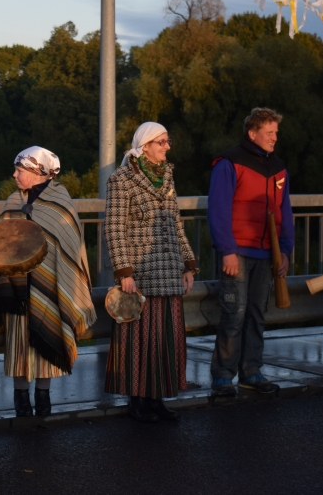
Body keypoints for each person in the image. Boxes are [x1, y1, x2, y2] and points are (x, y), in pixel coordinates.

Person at [0, 146, 97, 417]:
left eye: (19, 170)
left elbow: (70, 247)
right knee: (19, 342)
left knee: (48, 333)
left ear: (38, 172)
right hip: (17, 286)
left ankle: (44, 395)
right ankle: (21, 397)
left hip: (52, 286)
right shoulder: (13, 202)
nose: (14, 175)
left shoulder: (61, 202)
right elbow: (2, 242)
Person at [104, 122, 197, 423]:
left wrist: (188, 264)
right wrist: (124, 271)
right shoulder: (122, 180)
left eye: (167, 141)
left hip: (168, 270)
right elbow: (115, 228)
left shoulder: (167, 176)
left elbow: (176, 223)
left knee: (164, 339)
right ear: (145, 146)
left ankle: (157, 398)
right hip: (141, 272)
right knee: (139, 340)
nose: (167, 147)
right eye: (161, 142)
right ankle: (137, 401)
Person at [207, 107, 293, 396]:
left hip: (267, 253)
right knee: (234, 313)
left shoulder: (279, 167)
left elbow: (285, 212)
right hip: (238, 253)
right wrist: (227, 250)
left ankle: (251, 371)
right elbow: (218, 209)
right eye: (269, 133)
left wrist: (286, 251)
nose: (274, 139)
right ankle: (222, 376)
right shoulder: (229, 163)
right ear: (252, 133)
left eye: (276, 133)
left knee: (257, 314)